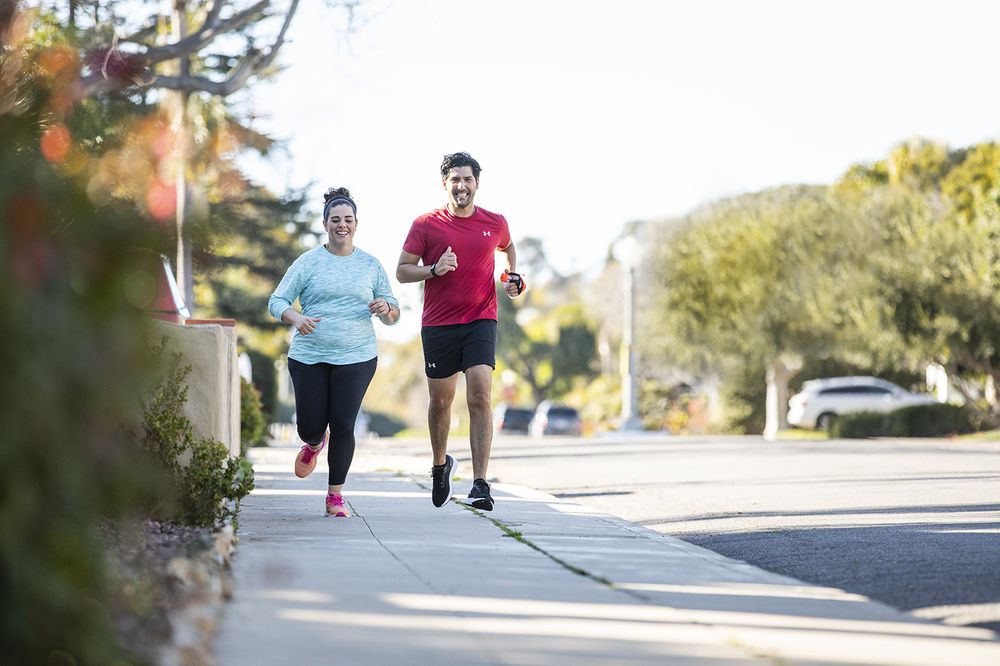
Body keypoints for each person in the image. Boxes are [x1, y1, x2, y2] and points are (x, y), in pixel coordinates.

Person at [396, 152, 524, 511]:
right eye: (455, 179)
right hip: (438, 324)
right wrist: (434, 269)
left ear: (477, 184)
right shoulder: (426, 225)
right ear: (445, 184)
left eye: (467, 179)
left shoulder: (494, 222)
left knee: (480, 395)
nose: (462, 186)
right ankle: (440, 465)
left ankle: (481, 484)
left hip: (481, 320)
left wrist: (512, 277)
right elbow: (403, 270)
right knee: (440, 402)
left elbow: (509, 247)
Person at [268, 187, 399, 517]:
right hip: (308, 355)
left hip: (357, 355)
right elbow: (276, 301)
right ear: (325, 223)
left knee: (343, 423)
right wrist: (296, 317)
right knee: (310, 425)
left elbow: (394, 314)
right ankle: (313, 443)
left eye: (348, 220)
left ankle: (335, 496)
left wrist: (385, 307)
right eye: (336, 220)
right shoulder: (308, 262)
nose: (343, 225)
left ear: (356, 224)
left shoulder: (371, 265)